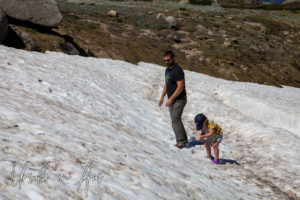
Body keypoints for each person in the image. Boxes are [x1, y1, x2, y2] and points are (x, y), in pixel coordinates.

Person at [159, 50, 188, 149]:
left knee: (175, 118)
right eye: (165, 61)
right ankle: (184, 139)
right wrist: (162, 97)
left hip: (180, 99)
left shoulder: (178, 70)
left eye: (168, 60)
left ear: (173, 59)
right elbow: (166, 85)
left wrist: (170, 99)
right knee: (175, 119)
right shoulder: (167, 70)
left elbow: (180, 87)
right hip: (172, 99)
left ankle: (181, 141)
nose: (166, 62)